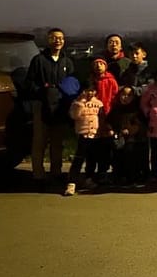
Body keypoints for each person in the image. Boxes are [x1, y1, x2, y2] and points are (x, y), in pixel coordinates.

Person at [25, 28, 75, 184]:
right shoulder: (38, 60)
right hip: (42, 105)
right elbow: (29, 82)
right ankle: (38, 175)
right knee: (39, 141)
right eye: (54, 38)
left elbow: (72, 83)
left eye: (61, 38)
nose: (58, 41)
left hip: (60, 106)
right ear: (48, 40)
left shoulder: (67, 61)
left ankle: (56, 172)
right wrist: (42, 90)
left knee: (57, 142)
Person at [65, 85, 103, 196]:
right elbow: (74, 116)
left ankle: (88, 178)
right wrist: (80, 102)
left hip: (95, 134)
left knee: (92, 158)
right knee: (79, 158)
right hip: (83, 134)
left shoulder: (98, 103)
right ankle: (72, 182)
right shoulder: (76, 103)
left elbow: (101, 117)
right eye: (87, 90)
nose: (90, 93)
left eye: (92, 90)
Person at [107, 86, 147, 186]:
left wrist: (130, 130)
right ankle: (118, 176)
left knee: (130, 157)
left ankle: (132, 178)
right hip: (118, 138)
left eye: (129, 95)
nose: (125, 97)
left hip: (132, 139)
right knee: (116, 156)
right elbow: (109, 121)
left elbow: (139, 125)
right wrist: (110, 129)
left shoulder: (136, 110)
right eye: (123, 94)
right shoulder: (116, 109)